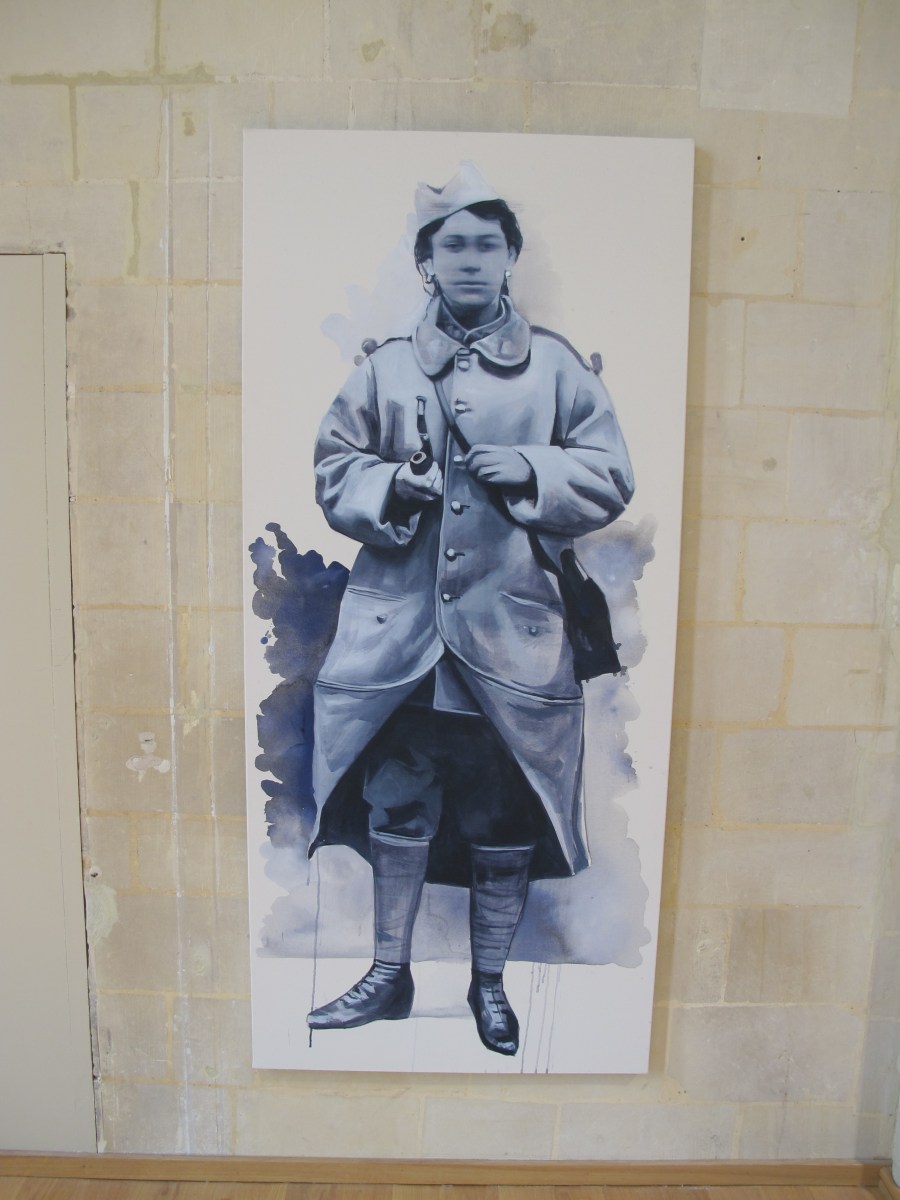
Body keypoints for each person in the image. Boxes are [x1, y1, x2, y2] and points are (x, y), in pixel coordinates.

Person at [306, 162, 634, 1055]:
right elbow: (334, 469)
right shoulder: (384, 370)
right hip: (400, 644)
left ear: (510, 258)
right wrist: (394, 485)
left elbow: (610, 475)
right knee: (397, 802)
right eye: (453, 245)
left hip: (513, 640)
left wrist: (531, 467)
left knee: (502, 814)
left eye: (487, 245)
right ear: (427, 263)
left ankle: (489, 987)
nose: (470, 260)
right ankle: (388, 976)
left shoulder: (556, 367)